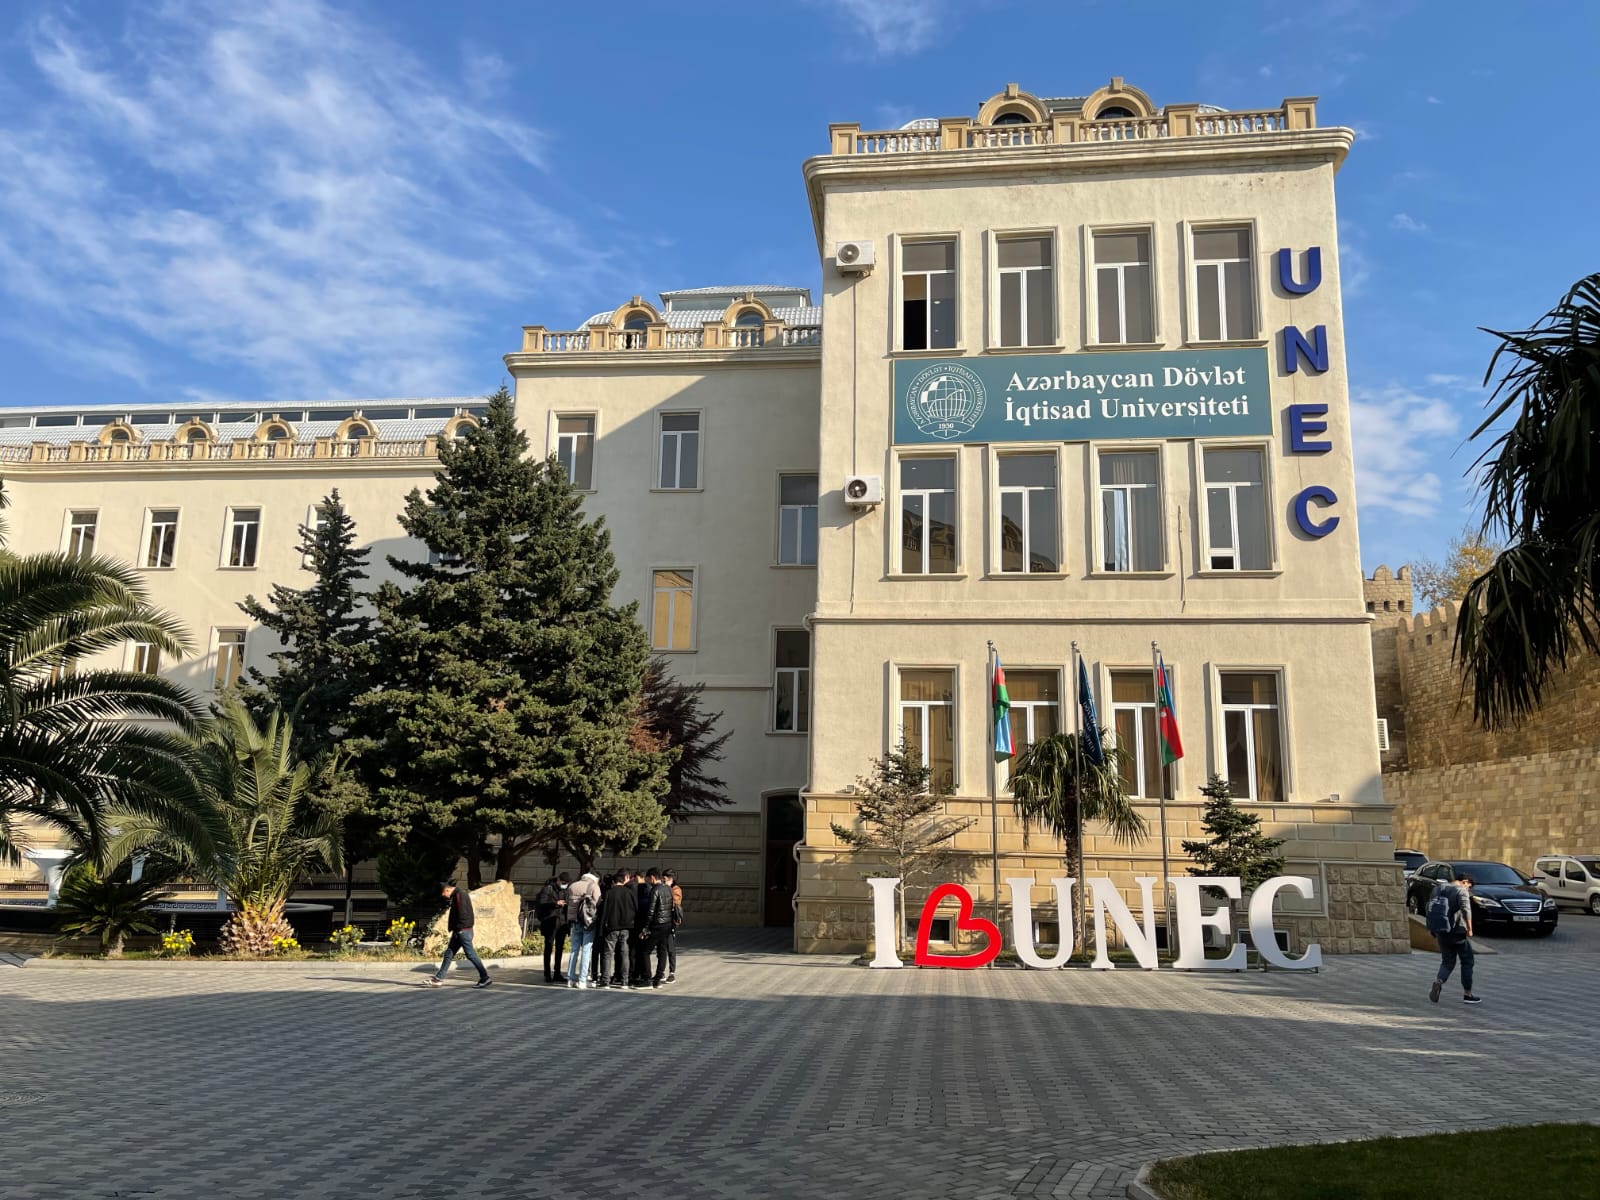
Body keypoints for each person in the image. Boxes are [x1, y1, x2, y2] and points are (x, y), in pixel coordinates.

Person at [1427, 872, 1482, 1005]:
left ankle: (1439, 981)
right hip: (1457, 932)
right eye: (1469, 886)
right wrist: (1470, 929)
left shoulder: (1437, 889)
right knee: (1467, 961)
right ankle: (1467, 994)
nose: (1468, 889)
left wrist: (1432, 929)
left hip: (1441, 931)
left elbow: (1430, 909)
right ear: (1464, 881)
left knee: (1447, 961)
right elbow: (1466, 910)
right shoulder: (1460, 891)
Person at [428, 880, 492, 989]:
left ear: (447, 890)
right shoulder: (457, 895)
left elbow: (464, 914)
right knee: (449, 954)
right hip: (459, 931)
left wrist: (460, 929)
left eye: (443, 894)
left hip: (463, 931)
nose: (444, 896)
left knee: (470, 954)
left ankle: (485, 977)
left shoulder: (460, 895)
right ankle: (438, 979)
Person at [597, 870, 639, 988]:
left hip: (611, 927)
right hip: (626, 927)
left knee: (608, 954)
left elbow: (604, 912)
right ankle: (625, 981)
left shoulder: (609, 893)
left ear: (614, 882)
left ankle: (605, 980)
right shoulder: (629, 892)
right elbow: (635, 909)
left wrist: (601, 929)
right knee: (624, 954)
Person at [565, 869, 602, 989]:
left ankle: (570, 979)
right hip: (588, 921)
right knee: (586, 950)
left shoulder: (573, 885)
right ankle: (582, 980)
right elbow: (598, 903)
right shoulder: (593, 886)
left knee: (574, 950)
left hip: (575, 921)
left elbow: (568, 902)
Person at [534, 873, 571, 984]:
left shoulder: (566, 890)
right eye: (563, 883)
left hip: (562, 923)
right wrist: (555, 903)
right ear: (558, 880)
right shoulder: (548, 889)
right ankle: (547, 973)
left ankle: (557, 973)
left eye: (566, 883)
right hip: (550, 922)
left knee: (559, 948)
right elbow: (542, 902)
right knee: (548, 947)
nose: (564, 885)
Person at [642, 867, 675, 988]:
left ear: (652, 877)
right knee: (662, 951)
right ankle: (658, 979)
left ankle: (647, 979)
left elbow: (651, 911)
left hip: (657, 925)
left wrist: (645, 928)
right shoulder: (668, 889)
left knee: (645, 951)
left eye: (648, 879)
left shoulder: (655, 890)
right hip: (667, 924)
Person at [663, 867, 683, 984]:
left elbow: (675, 902)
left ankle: (672, 972)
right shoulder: (664, 888)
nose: (663, 880)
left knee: (670, 947)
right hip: (662, 920)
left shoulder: (676, 889)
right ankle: (661, 972)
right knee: (661, 947)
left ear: (671, 879)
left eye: (665, 878)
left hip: (671, 922)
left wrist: (666, 890)